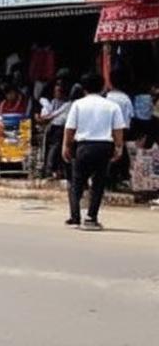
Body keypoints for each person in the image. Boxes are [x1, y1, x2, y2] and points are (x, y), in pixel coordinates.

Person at [63, 72, 125, 230]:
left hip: (83, 146)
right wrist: (119, 147)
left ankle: (75, 217)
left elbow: (69, 129)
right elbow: (118, 130)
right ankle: (91, 217)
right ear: (103, 87)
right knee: (98, 183)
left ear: (84, 88)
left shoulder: (78, 104)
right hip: (104, 146)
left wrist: (66, 146)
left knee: (76, 182)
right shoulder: (112, 106)